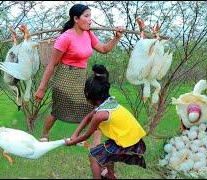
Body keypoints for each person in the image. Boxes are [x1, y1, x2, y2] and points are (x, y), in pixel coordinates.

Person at [34, 4, 124, 144]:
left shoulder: (88, 34)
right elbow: (51, 65)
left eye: (90, 16)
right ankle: (45, 135)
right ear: (76, 18)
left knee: (92, 108)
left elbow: (104, 49)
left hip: (81, 78)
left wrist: (116, 37)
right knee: (58, 110)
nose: (90, 20)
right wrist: (41, 89)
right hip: (64, 77)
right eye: (86, 16)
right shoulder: (65, 38)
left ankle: (87, 141)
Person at [65, 64, 147, 179]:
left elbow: (86, 135)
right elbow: (88, 117)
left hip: (129, 143)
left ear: (88, 95)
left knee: (94, 155)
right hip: (130, 138)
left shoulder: (100, 115)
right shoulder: (108, 102)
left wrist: (71, 142)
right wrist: (75, 134)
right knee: (106, 150)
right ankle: (110, 175)